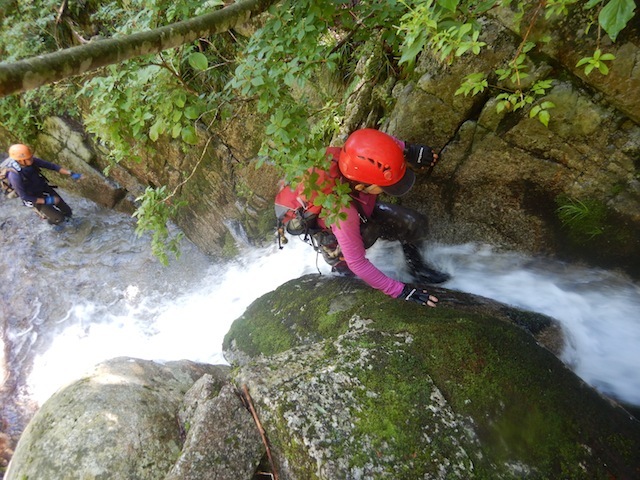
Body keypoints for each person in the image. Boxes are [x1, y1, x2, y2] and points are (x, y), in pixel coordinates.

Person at [317, 128, 448, 307]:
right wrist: (400, 291)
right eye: (385, 186)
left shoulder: (361, 158)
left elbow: (385, 145)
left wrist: (412, 151)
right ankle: (341, 273)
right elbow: (357, 263)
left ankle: (417, 269)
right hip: (336, 239)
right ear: (362, 187)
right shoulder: (342, 211)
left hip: (364, 211)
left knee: (414, 223)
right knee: (352, 267)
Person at [5, 143, 82, 225]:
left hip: (43, 188)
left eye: (31, 157)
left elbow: (52, 166)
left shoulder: (31, 161)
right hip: (34, 198)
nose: (32, 158)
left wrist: (71, 173)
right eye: (29, 158)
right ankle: (53, 225)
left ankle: (72, 223)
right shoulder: (14, 176)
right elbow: (24, 196)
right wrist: (46, 201)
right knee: (59, 218)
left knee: (67, 210)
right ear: (20, 160)